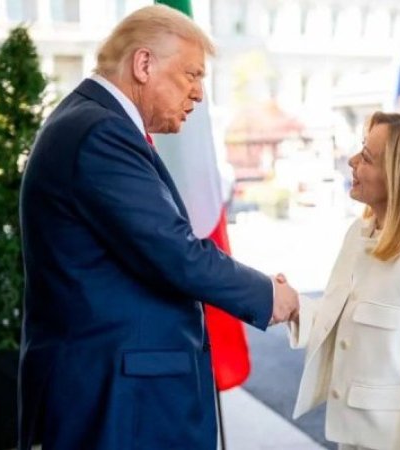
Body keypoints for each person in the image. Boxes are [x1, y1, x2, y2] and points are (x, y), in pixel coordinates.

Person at [18, 5, 298, 450]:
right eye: (191, 75)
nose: (199, 94)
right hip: (118, 401)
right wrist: (269, 294)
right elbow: (174, 252)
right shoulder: (100, 132)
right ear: (144, 64)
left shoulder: (89, 121)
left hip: (113, 390)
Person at [288, 112, 400, 450]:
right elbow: (340, 318)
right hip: (352, 440)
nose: (352, 161)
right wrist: (295, 307)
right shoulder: (359, 233)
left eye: (367, 158)